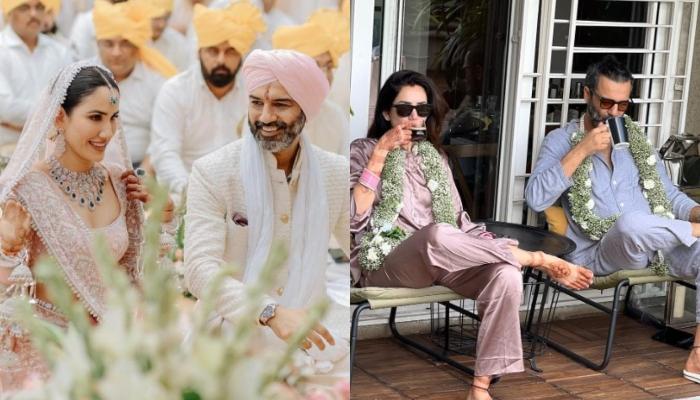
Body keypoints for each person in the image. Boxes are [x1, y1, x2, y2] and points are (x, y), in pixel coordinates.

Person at [350, 70, 593, 400]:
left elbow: (460, 222)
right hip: (387, 262)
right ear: (386, 113)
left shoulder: (435, 157)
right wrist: (380, 153)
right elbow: (354, 216)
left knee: (506, 275)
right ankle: (537, 259)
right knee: (437, 235)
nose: (413, 117)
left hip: (441, 259)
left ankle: (480, 387)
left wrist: (484, 246)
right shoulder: (362, 150)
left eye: (422, 109)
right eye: (404, 109)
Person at [525, 55, 700, 384]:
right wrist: (582, 150)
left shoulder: (636, 141)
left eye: (623, 104)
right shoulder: (560, 141)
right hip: (601, 251)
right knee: (631, 223)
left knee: (650, 228)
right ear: (587, 94)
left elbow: (668, 196)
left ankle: (698, 356)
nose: (615, 112)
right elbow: (536, 198)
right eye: (607, 102)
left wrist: (695, 212)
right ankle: (693, 231)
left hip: (658, 245)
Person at [0, 61, 173, 391]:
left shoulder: (120, 182)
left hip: (113, 346)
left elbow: (137, 276)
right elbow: (7, 293)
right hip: (48, 351)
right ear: (59, 117)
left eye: (114, 118)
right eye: (95, 117)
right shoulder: (26, 190)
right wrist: (7, 248)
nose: (107, 132)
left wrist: (162, 218)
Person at [184, 49, 350, 387]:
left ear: (306, 109)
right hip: (229, 333)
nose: (265, 116)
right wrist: (269, 311)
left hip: (314, 336)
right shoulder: (214, 172)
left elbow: (362, 253)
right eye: (256, 102)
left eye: (281, 104)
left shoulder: (335, 173)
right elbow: (199, 270)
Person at [149, 1, 264, 197]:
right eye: (213, 50)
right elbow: (165, 154)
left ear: (242, 54)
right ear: (199, 52)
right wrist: (193, 193)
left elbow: (260, 156)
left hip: (242, 196)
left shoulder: (255, 93)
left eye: (230, 51)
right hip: (186, 194)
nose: (221, 60)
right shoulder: (175, 91)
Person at [92, 0, 175, 168]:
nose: (116, 52)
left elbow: (162, 141)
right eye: (109, 44)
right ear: (98, 44)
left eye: (125, 43)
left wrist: (140, 176)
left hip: (139, 168)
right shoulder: (80, 77)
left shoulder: (157, 84)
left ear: (138, 47)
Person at [272, 7, 349, 155]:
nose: (324, 75)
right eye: (316, 65)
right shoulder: (265, 116)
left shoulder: (335, 117)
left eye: (328, 66)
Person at [0, 0, 73, 146]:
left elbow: (73, 101)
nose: (33, 14)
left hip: (54, 146)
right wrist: (55, 114)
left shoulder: (60, 51)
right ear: (9, 13)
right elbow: (6, 108)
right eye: (24, 7)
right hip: (8, 147)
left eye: (39, 7)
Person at [148, 0, 192, 71]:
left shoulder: (178, 43)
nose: (161, 25)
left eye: (166, 18)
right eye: (157, 18)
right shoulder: (132, 43)